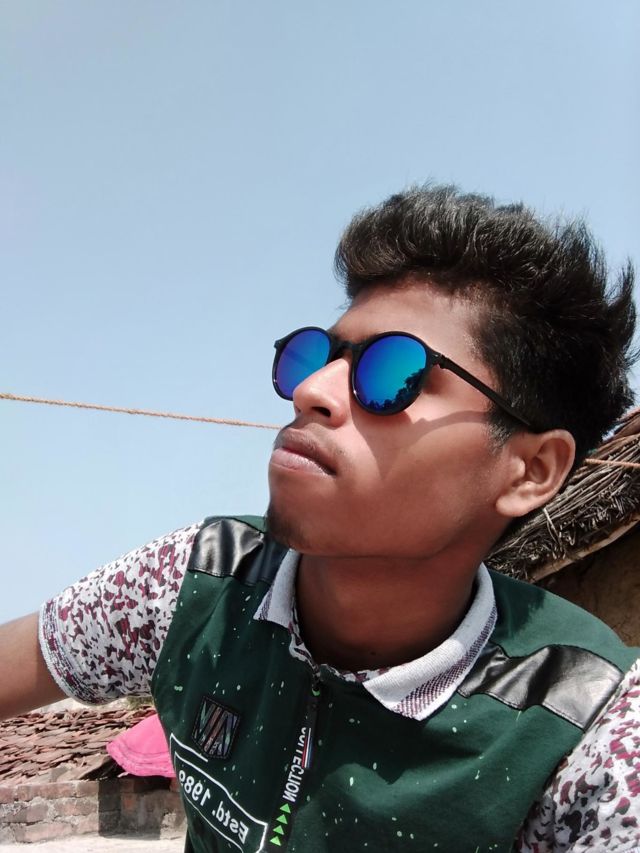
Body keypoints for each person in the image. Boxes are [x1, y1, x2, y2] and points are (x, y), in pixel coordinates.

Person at [1, 185, 639, 852]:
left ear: (530, 469)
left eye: (393, 372)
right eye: (317, 355)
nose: (311, 391)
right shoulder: (201, 577)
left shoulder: (589, 731)